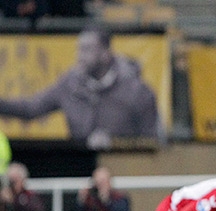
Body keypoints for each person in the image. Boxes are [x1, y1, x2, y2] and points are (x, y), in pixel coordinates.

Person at [0, 24, 159, 150]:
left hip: (126, 171)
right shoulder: (70, 84)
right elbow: (31, 108)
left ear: (105, 53)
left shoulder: (136, 90)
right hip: (80, 167)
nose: (79, 56)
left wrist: (116, 144)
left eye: (87, 49)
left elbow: (153, 142)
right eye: (79, 49)